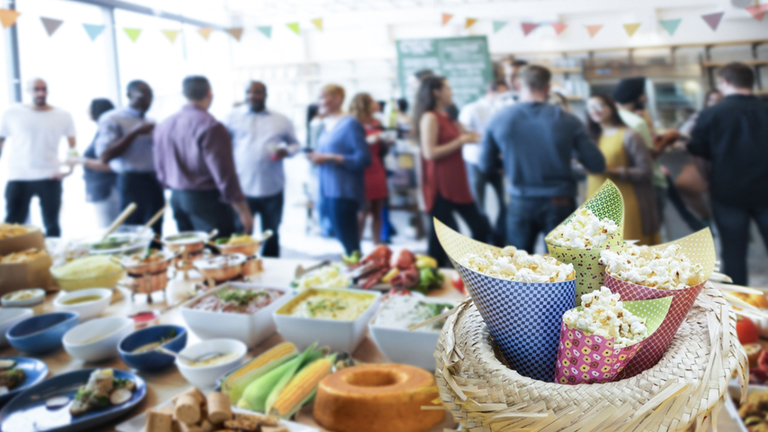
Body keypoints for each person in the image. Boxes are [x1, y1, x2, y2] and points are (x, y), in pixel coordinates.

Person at [479, 65, 606, 253]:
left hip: (519, 200)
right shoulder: (568, 120)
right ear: (548, 88)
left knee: (519, 268)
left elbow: (485, 165)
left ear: (516, 84)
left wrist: (507, 165)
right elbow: (597, 164)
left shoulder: (499, 119)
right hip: (560, 201)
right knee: (561, 269)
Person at [688, 62, 768, 286]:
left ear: (724, 82)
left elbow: (698, 154)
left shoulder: (710, 114)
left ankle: (740, 313)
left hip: (727, 193)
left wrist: (708, 180)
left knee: (733, 256)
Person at [153, 76, 253, 238]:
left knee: (189, 253)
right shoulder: (211, 126)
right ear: (209, 93)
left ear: (184, 94)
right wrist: (243, 210)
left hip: (177, 198)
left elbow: (159, 167)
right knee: (217, 254)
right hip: (206, 201)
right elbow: (225, 174)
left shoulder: (165, 124)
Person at [413, 76, 491, 267]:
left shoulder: (447, 116)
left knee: (479, 229)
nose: (452, 92)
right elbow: (429, 152)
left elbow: (467, 134)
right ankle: (434, 278)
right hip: (441, 184)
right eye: (448, 89)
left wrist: (474, 137)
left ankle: (471, 269)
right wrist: (461, 141)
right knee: (439, 238)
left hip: (457, 182)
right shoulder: (430, 117)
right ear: (436, 92)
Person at [226, 81, 299, 257]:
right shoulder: (231, 118)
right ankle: (243, 269)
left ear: (265, 95)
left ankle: (272, 271)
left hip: (272, 186)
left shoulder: (281, 120)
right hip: (242, 188)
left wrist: (286, 151)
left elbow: (296, 145)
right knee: (242, 233)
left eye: (257, 92)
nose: (252, 96)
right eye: (248, 92)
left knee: (271, 232)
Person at [0, 78, 76, 237]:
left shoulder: (62, 115)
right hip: (19, 176)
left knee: (52, 225)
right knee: (12, 225)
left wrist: (69, 170)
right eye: (36, 89)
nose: (41, 92)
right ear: (28, 91)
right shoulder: (12, 113)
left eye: (44, 89)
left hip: (50, 175)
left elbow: (73, 147)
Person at [586, 93, 660, 245]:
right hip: (596, 204)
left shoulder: (630, 135)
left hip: (626, 202)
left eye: (599, 105)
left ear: (611, 107)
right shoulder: (590, 138)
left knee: (627, 253)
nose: (595, 110)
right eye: (590, 107)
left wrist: (614, 171)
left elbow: (646, 171)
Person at [306, 84, 371, 255]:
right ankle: (355, 271)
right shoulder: (327, 124)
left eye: (322, 97)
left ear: (337, 99)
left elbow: (363, 158)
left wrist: (328, 157)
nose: (317, 101)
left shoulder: (350, 123)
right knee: (342, 239)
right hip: (327, 190)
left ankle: (360, 275)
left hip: (344, 191)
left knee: (350, 242)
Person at [95, 81, 164, 235]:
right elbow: (104, 155)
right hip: (131, 182)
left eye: (150, 97)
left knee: (156, 228)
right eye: (143, 96)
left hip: (154, 180)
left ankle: (156, 258)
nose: (147, 101)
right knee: (133, 229)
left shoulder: (151, 121)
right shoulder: (112, 118)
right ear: (129, 95)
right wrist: (134, 133)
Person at [613, 77, 669, 230]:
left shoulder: (613, 119)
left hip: (624, 184)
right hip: (649, 184)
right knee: (651, 234)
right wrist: (668, 139)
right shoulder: (637, 122)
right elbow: (649, 156)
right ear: (634, 95)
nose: (645, 98)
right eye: (642, 94)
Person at [458, 80, 509, 246]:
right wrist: (486, 139)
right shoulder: (471, 108)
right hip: (475, 160)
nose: (506, 97)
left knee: (504, 202)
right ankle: (485, 236)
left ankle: (499, 236)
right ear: (492, 91)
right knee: (478, 203)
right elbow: (462, 132)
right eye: (503, 93)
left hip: (497, 161)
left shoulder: (502, 109)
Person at [66, 98, 119, 228]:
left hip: (108, 188)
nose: (87, 111)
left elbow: (112, 165)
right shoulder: (101, 132)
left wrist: (81, 161)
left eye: (90, 107)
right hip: (101, 188)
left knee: (110, 230)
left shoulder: (108, 133)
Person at [349, 93, 389, 245]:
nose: (376, 104)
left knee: (377, 210)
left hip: (377, 167)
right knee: (362, 211)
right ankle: (356, 246)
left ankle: (377, 244)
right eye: (372, 101)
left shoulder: (376, 122)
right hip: (362, 170)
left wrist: (386, 142)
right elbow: (351, 146)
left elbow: (382, 148)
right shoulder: (352, 122)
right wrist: (369, 141)